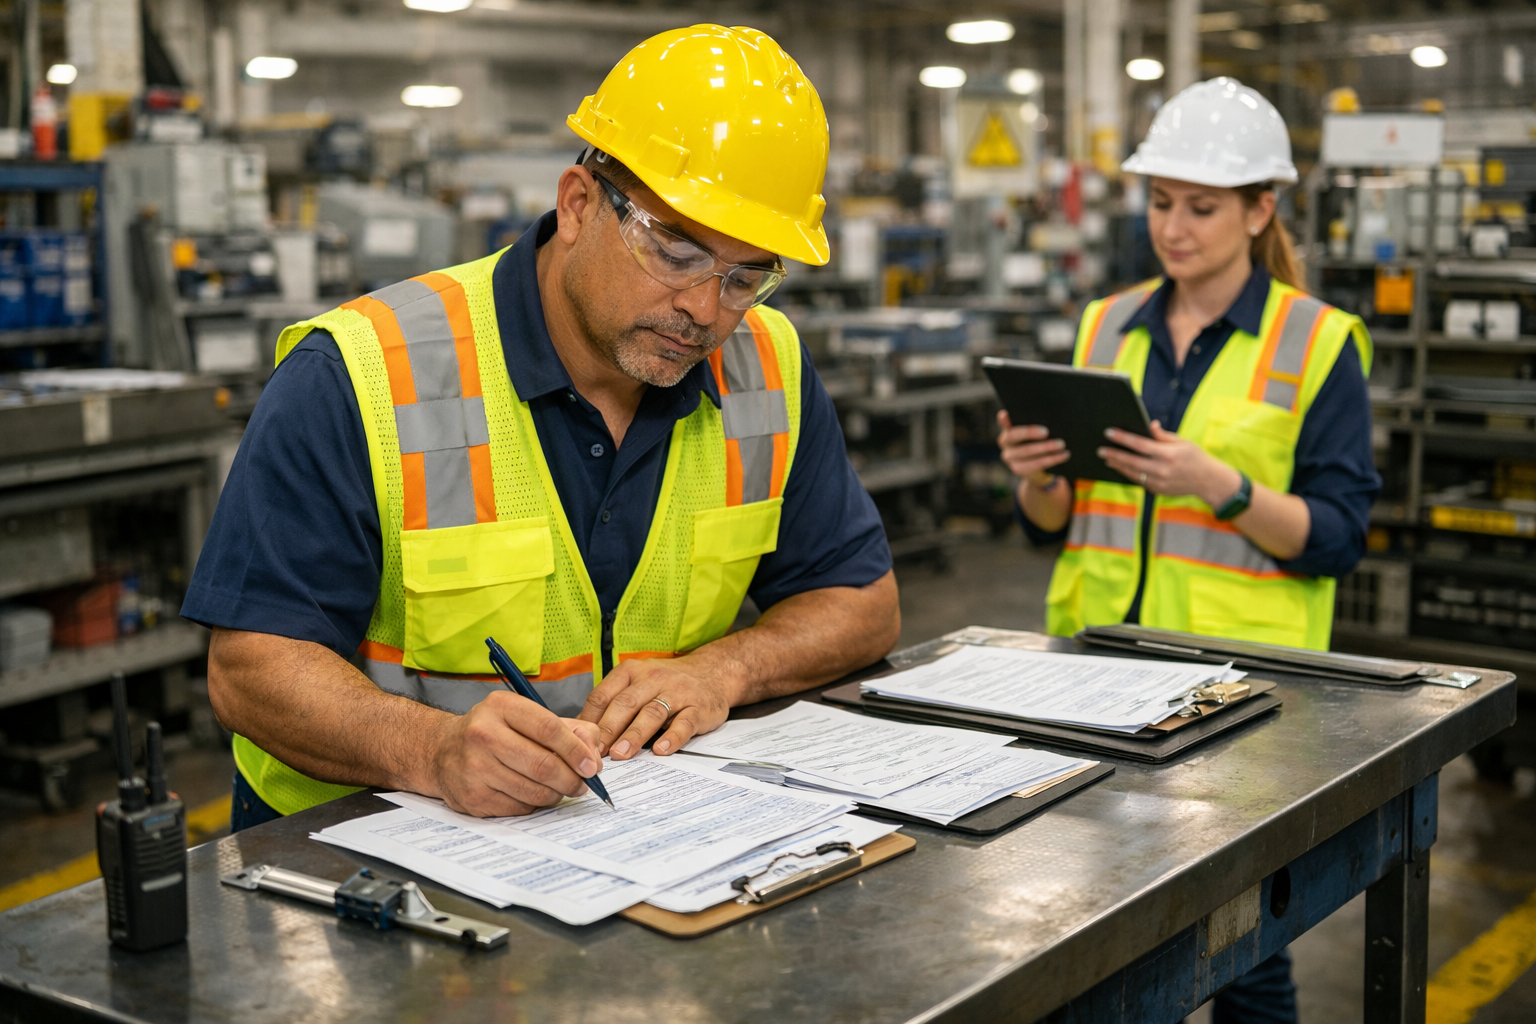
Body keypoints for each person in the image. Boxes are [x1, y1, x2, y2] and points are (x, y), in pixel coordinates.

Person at [185, 24, 900, 832]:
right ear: (578, 205)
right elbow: (249, 670)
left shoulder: (768, 367)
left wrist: (725, 667)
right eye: (674, 252)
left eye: (747, 277)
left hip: (635, 846)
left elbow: (862, 602)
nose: (705, 310)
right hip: (351, 862)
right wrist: (431, 749)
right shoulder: (359, 374)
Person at [997, 78, 1381, 1023]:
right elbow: (1054, 523)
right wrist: (1037, 476)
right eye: (1162, 202)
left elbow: (1335, 541)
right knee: (1096, 931)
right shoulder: (1106, 324)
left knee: (1244, 953)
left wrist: (1221, 485)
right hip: (1092, 679)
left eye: (1201, 207)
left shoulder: (1319, 343)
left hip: (1240, 695)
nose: (1174, 228)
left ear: (1260, 210)